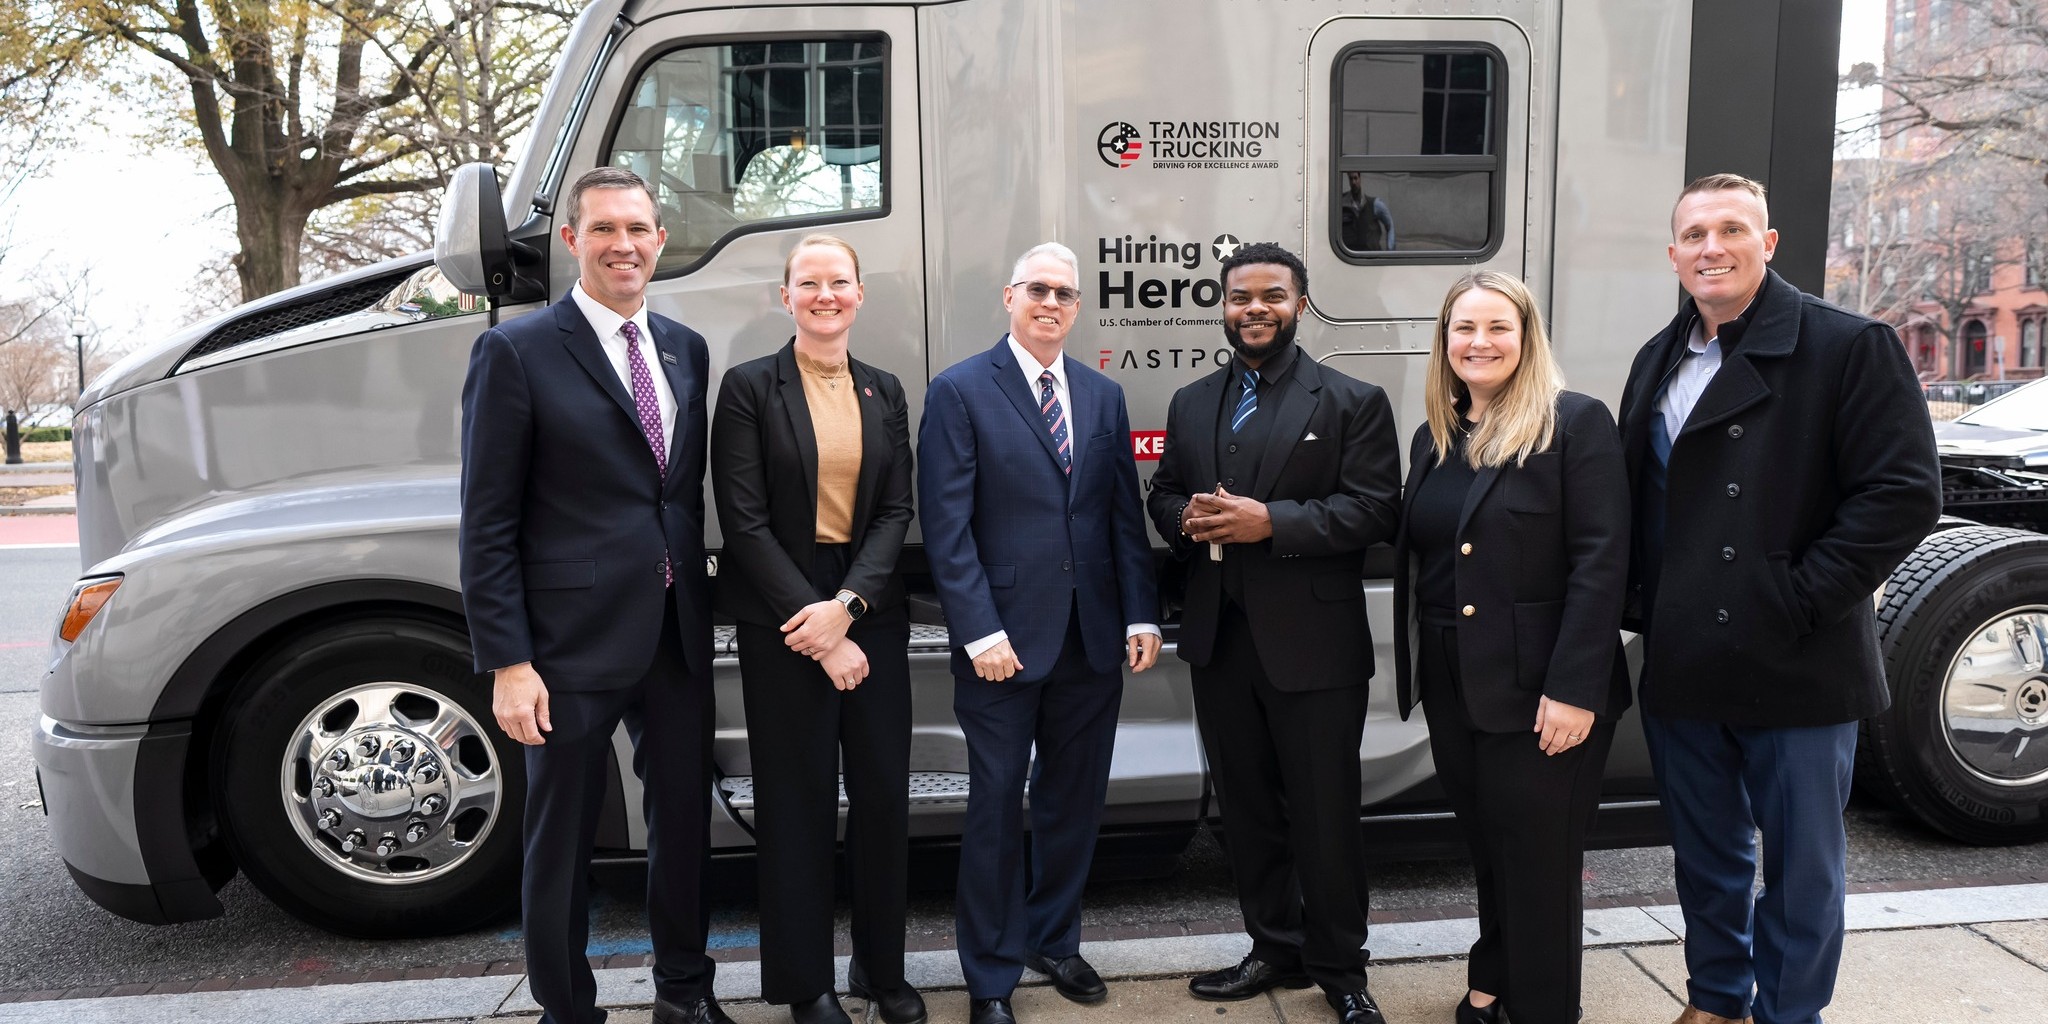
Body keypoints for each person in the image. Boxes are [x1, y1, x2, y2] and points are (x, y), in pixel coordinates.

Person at [1618, 173, 1941, 1024]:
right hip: (1685, 658)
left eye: (1731, 230)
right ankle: (1717, 1000)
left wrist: (1797, 599)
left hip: (1799, 656)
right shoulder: (1656, 360)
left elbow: (1901, 496)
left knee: (1802, 870)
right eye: (1694, 235)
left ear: (1768, 244)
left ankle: (1789, 1014)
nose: (1711, 247)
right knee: (1706, 856)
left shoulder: (1849, 345)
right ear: (1674, 254)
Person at [458, 166, 729, 1024]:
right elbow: (486, 521)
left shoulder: (686, 349)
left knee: (683, 826)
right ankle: (567, 1009)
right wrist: (507, 659)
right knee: (561, 841)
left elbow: (673, 497)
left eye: (638, 229)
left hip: (674, 631)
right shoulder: (516, 350)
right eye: (604, 230)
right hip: (566, 644)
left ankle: (684, 996)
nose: (625, 245)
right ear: (573, 241)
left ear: (659, 240)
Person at [1145, 242, 1402, 1024]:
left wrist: (1271, 523)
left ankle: (1342, 970)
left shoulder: (1350, 399)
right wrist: (1183, 521)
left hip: (1314, 648)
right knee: (1246, 811)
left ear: (1300, 304)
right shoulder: (1192, 401)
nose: (1254, 309)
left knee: (1325, 815)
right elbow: (1160, 494)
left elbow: (1376, 511)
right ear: (1223, 307)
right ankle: (1274, 944)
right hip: (1221, 642)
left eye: (1272, 296)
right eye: (1239, 297)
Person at [916, 242, 1163, 1024]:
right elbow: (946, 526)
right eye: (1037, 289)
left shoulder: (1102, 394)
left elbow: (1122, 516)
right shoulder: (960, 391)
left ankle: (1054, 940)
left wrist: (1139, 609)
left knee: (1072, 802)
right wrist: (978, 629)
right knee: (994, 808)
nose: (1050, 302)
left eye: (1064, 292)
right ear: (1009, 296)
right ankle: (989, 978)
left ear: (1078, 307)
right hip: (1001, 647)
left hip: (1091, 640)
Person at [1390, 271, 1631, 1024]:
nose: (1480, 342)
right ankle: (1492, 978)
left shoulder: (1576, 424)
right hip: (1456, 682)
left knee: (1540, 864)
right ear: (1445, 341)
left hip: (1542, 691)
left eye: (1499, 328)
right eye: (1465, 328)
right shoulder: (1435, 435)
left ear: (1527, 339)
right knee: (1491, 848)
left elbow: (1602, 562)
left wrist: (1576, 689)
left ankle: (1543, 1009)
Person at [710, 235, 925, 1024]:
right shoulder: (748, 389)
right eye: (810, 283)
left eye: (839, 282)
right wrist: (819, 625)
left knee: (881, 801)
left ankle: (880, 971)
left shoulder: (885, 390)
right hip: (783, 618)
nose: (825, 294)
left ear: (860, 295)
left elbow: (898, 508)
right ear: (786, 296)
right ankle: (806, 985)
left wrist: (851, 610)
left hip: (869, 613)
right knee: (796, 806)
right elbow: (744, 520)